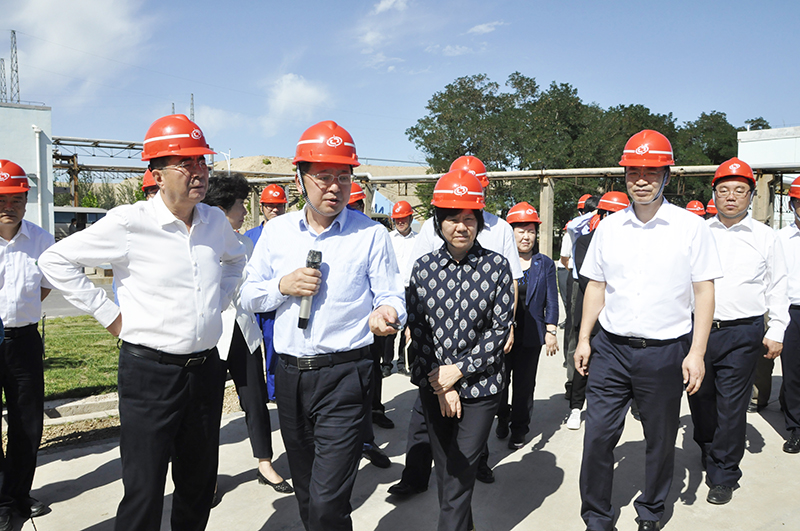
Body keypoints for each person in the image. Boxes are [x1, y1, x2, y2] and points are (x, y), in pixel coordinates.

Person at [38, 114, 246, 531]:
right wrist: (110, 316)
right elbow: (54, 260)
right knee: (145, 489)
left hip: (205, 371)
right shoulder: (130, 223)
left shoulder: (213, 221)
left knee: (198, 483)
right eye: (185, 164)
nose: (198, 172)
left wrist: (218, 300)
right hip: (150, 374)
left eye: (202, 161)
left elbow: (236, 260)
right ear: (156, 174)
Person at [240, 120, 405, 531]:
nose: (335, 187)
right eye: (324, 177)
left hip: (345, 375)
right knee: (306, 491)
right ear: (300, 179)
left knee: (328, 499)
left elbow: (391, 295)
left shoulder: (371, 235)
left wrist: (385, 314)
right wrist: (283, 286)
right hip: (290, 375)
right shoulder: (276, 233)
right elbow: (247, 295)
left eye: (344, 177)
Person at [574, 129, 722, 531]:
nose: (641, 180)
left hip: (664, 352)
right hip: (610, 349)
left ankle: (651, 511)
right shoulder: (609, 228)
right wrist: (584, 338)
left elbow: (704, 291)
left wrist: (696, 352)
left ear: (667, 176)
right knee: (597, 436)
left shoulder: (690, 227)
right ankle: (596, 515)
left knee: (660, 439)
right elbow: (596, 286)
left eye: (651, 172)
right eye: (633, 172)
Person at [389, 155, 522, 496]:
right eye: (452, 218)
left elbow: (502, 311)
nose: (461, 226)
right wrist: (441, 381)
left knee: (460, 471)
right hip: (435, 373)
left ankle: (477, 466)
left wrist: (462, 368)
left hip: (481, 375)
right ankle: (416, 479)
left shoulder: (498, 251)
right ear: (439, 220)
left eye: (469, 218)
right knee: (441, 457)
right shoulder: (425, 265)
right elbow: (419, 324)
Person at [687, 157, 788, 505]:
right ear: (714, 193)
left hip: (743, 333)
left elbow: (778, 285)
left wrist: (777, 328)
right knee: (700, 397)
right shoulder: (698, 232)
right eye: (724, 190)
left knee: (732, 406)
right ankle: (707, 447)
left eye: (739, 190)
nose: (731, 197)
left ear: (751, 195)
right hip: (699, 332)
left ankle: (724, 474)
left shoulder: (765, 237)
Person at [202, 174, 292, 494]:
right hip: (212, 336)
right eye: (240, 205)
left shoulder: (247, 244)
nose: (244, 211)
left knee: (255, 401)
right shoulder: (200, 244)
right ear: (221, 210)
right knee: (207, 409)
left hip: (245, 331)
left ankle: (265, 463)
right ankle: (207, 475)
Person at [0, 160, 54, 531]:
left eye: (16, 199)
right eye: (1, 199)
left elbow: (46, 285)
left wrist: (24, 311)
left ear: (25, 200)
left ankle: (18, 493)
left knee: (27, 422)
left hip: (24, 341)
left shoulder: (40, 240)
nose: (9, 206)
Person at [496, 202, 558, 449]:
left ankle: (519, 428)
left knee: (524, 385)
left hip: (531, 335)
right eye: (521, 231)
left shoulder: (545, 263)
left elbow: (551, 300)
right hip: (502, 335)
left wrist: (551, 330)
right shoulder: (499, 261)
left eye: (531, 231)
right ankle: (502, 416)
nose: (526, 236)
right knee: (500, 383)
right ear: (510, 232)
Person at [568, 191, 630, 431]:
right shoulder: (586, 241)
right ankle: (576, 407)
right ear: (601, 216)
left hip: (621, 315)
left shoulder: (632, 242)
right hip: (592, 313)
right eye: (608, 214)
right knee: (584, 360)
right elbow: (588, 280)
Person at [244, 184, 289, 401]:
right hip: (252, 302)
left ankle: (274, 392)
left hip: (276, 302)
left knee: (274, 350)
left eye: (279, 205)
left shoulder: (290, 236)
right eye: (270, 205)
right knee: (251, 352)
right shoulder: (250, 236)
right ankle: (254, 395)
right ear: (262, 207)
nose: (275, 210)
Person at [384, 200, 417, 376]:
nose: (400, 222)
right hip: (392, 289)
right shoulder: (387, 238)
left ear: (411, 218)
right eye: (397, 219)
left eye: (404, 218)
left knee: (408, 329)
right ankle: (386, 364)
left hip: (411, 288)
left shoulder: (418, 240)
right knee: (390, 326)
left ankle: (403, 363)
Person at [779, 176, 800, 454]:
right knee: (793, 372)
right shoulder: (780, 239)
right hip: (792, 312)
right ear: (792, 204)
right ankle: (796, 427)